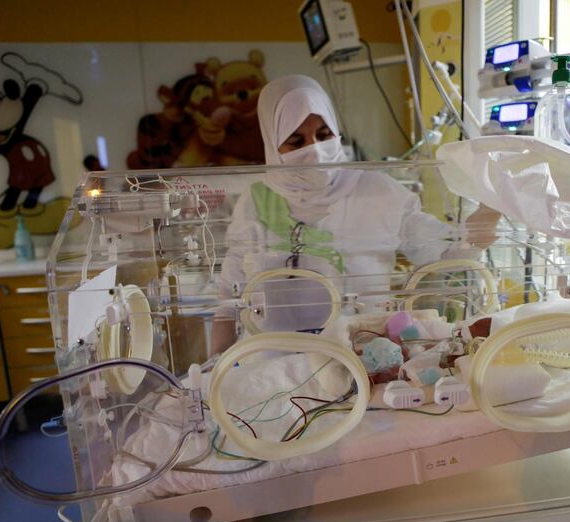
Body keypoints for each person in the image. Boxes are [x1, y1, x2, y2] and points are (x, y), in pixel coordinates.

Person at [211, 75, 499, 353]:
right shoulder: (257, 202)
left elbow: (446, 253)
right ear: (272, 145)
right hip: (274, 359)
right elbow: (227, 301)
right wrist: (214, 369)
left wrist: (493, 207)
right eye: (297, 142)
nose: (316, 152)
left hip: (361, 355)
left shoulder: (376, 192)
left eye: (324, 136)